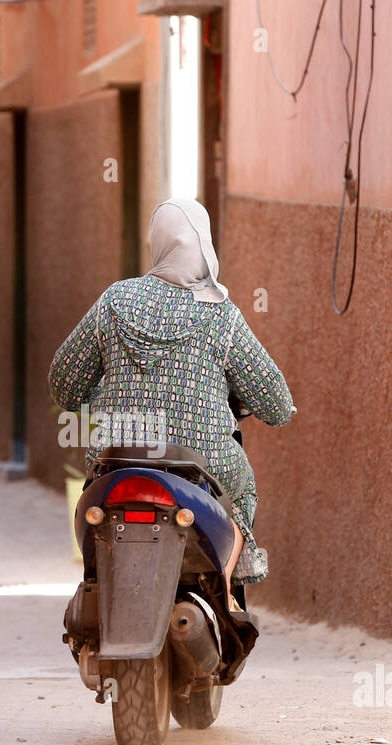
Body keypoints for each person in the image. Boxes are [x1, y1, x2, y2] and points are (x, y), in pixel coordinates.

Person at [48, 198, 294, 602]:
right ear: (204, 246)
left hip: (117, 459)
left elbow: (64, 384)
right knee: (242, 492)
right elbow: (276, 405)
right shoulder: (221, 315)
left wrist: (103, 397)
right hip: (200, 465)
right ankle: (226, 590)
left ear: (157, 243)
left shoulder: (115, 301)